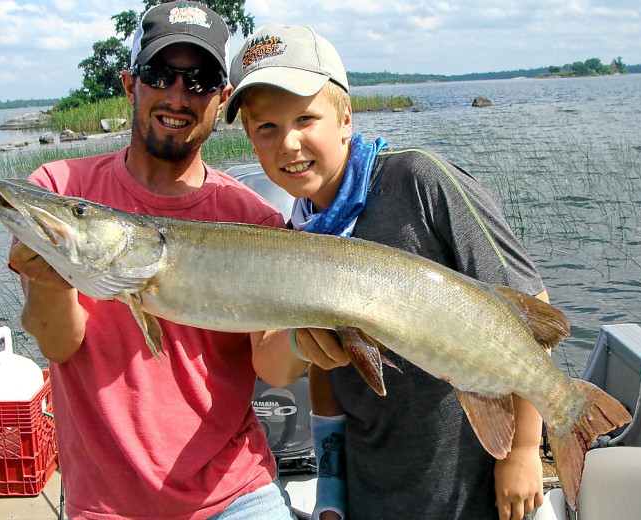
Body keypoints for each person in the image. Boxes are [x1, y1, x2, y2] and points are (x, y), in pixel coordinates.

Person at [7, 4, 348, 519]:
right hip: (105, 506)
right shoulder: (60, 188)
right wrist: (49, 280)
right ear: (130, 85)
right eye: (160, 74)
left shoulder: (251, 218)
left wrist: (310, 333)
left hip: (238, 496)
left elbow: (272, 368)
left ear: (222, 98)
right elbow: (59, 342)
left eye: (201, 80)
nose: (177, 95)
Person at [224, 23, 551, 520]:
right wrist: (331, 491)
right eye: (266, 128)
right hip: (374, 488)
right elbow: (321, 374)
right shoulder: (294, 241)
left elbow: (530, 307)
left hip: (470, 485)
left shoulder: (419, 179)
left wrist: (525, 449)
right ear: (250, 139)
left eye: (305, 118)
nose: (288, 143)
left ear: (346, 117)